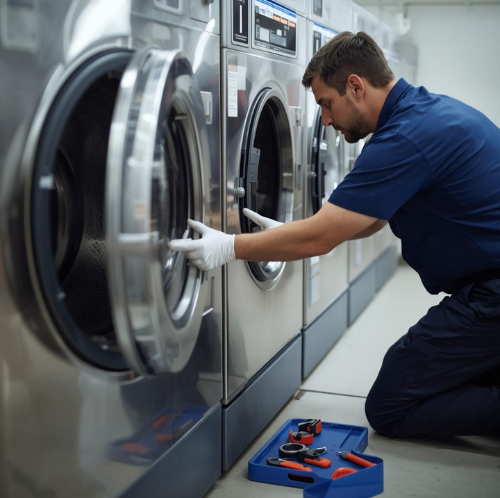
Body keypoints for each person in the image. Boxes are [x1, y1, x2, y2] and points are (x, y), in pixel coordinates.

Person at [170, 31, 500, 439]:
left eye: (327, 104)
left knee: (391, 405)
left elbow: (320, 237)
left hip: (492, 296)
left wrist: (229, 246)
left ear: (356, 86)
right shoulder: (424, 114)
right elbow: (375, 216)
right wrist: (298, 232)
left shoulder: (405, 138)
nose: (325, 120)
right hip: (486, 285)